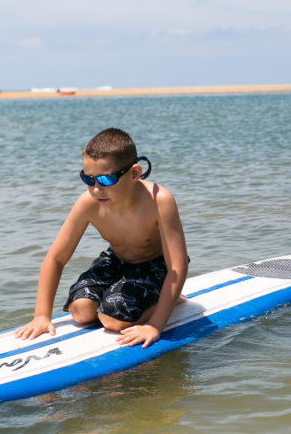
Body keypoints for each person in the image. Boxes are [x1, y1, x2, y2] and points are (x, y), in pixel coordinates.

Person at [14, 128, 189, 348]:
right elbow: (55, 259)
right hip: (117, 260)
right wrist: (41, 316)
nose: (96, 189)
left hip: (156, 265)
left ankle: (170, 300)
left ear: (134, 173)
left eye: (106, 179)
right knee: (80, 311)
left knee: (112, 320)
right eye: (88, 178)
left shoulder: (159, 200)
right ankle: (132, 299)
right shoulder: (88, 203)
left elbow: (177, 266)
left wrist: (154, 325)